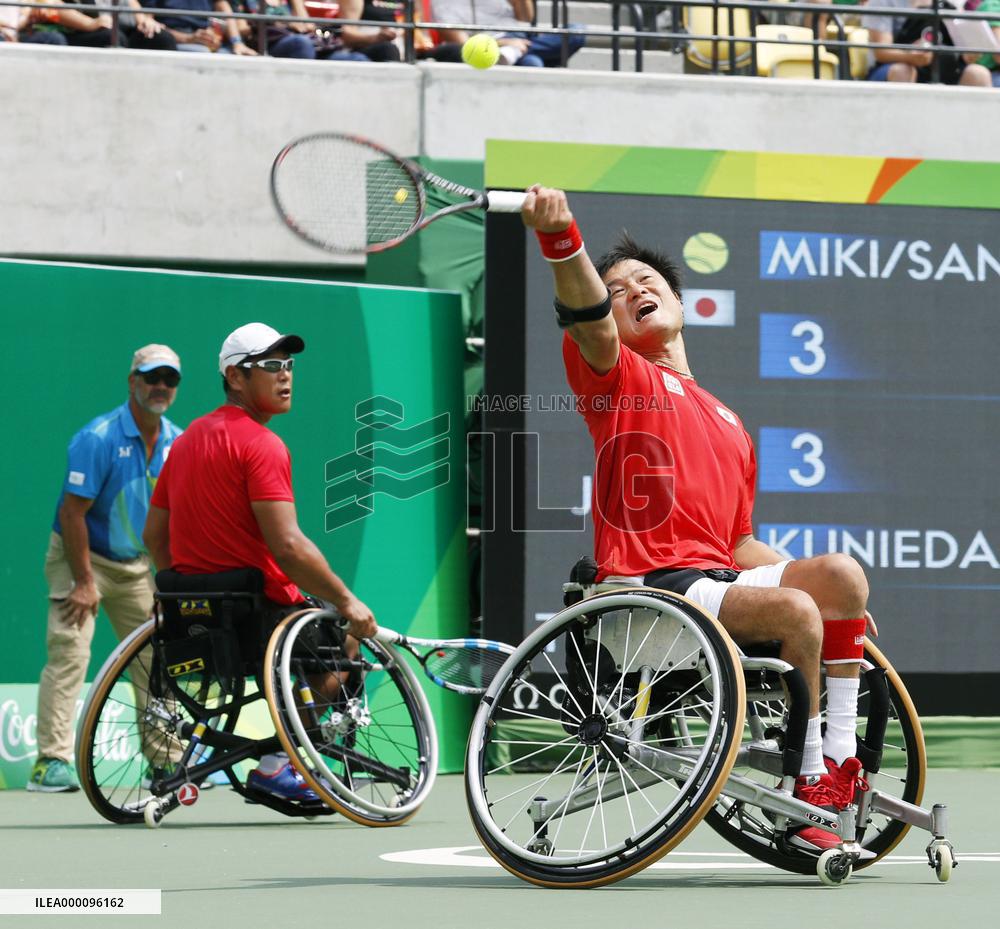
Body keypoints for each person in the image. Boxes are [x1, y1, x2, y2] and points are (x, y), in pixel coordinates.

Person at [522, 186, 873, 852]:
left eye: (646, 281)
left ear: (680, 306)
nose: (631, 291)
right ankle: (803, 791)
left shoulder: (731, 423)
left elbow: (738, 542)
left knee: (842, 576)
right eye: (617, 289)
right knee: (800, 611)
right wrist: (560, 237)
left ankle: (834, 759)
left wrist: (835, 599)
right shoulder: (614, 375)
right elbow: (590, 317)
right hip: (648, 593)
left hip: (711, 583)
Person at [142, 323, 377, 802]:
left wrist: (184, 588)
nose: (285, 375)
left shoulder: (183, 443)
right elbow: (288, 547)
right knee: (348, 634)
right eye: (270, 365)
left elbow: (154, 537)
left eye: (288, 365)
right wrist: (347, 599)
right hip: (263, 615)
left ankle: (276, 753)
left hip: (198, 614)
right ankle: (279, 763)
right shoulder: (263, 446)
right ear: (234, 376)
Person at [28, 345, 183, 792]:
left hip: (134, 565)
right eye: (152, 377)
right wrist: (83, 582)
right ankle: (50, 762)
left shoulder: (178, 440)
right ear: (132, 381)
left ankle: (165, 763)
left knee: (158, 659)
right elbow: (73, 514)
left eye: (169, 380)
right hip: (80, 558)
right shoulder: (97, 438)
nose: (160, 387)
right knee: (70, 652)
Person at [863, 0, 991, 85]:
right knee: (903, 70)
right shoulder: (882, 2)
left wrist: (967, 55)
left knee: (978, 74)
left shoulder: (949, 4)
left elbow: (961, 46)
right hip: (894, 68)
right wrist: (909, 56)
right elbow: (882, 52)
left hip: (943, 68)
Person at [432, 0, 584, 67]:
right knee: (533, 63)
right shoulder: (444, 3)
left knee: (576, 32)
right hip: (492, 45)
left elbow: (526, 19)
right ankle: (511, 53)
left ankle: (512, 55)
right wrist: (504, 43)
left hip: (524, 37)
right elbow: (462, 44)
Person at [149, 0, 257, 53]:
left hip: (208, 38)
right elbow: (149, 24)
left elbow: (223, 7)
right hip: (175, 40)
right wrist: (189, 38)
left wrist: (237, 42)